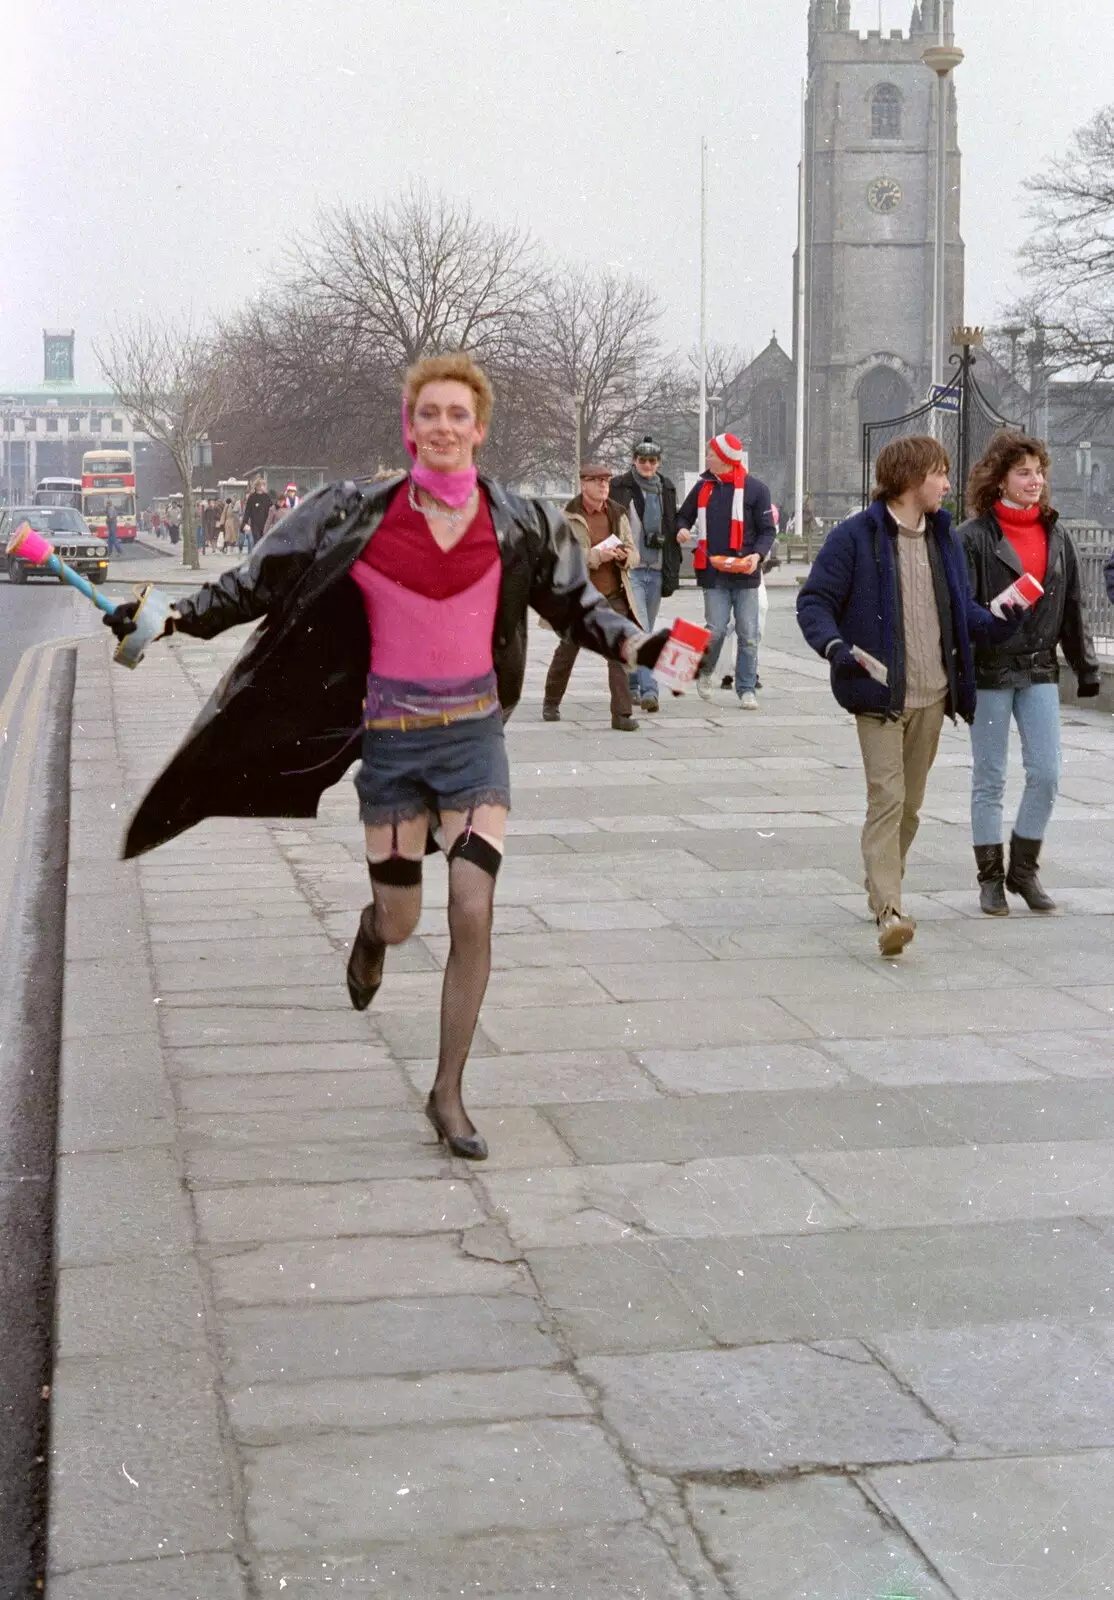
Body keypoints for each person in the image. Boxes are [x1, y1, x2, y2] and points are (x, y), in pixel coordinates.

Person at [104, 352, 669, 1160]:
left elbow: (580, 605)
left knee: (473, 910)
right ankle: (372, 935)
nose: (443, 426)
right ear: (410, 428)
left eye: (458, 415)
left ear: (479, 429)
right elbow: (252, 584)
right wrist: (165, 618)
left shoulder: (521, 523)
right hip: (393, 750)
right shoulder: (353, 514)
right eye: (428, 414)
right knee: (405, 919)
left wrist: (649, 649)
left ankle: (447, 1093)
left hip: (474, 742)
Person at [797, 434, 1020, 957]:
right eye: (940, 474)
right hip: (877, 694)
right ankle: (890, 911)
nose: (947, 484)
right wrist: (835, 647)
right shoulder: (855, 537)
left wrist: (1003, 619)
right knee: (888, 800)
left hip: (934, 697)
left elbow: (962, 611)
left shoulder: (944, 537)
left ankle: (879, 883)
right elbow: (814, 602)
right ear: (912, 478)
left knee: (912, 808)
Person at [961, 431, 1100, 915]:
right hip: (991, 671)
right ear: (999, 480)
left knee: (1047, 772)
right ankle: (990, 879)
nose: (1035, 480)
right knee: (990, 777)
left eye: (1039, 472)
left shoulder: (1057, 534)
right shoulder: (973, 537)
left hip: (1040, 668)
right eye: (1023, 472)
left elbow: (1073, 606)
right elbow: (960, 611)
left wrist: (1084, 666)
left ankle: (1024, 870)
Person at [676, 433, 775, 709]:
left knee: (748, 633)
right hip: (714, 573)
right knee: (716, 629)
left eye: (710, 453)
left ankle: (746, 689)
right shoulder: (703, 487)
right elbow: (683, 515)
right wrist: (682, 528)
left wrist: (757, 555)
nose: (706, 457)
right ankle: (706, 671)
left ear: (724, 459)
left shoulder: (757, 490)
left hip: (746, 573)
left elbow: (768, 530)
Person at [542, 464, 642, 732]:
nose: (603, 486)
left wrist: (624, 556)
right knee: (568, 649)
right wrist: (597, 556)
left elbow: (634, 552)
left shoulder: (618, 513)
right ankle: (551, 700)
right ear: (583, 484)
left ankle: (621, 714)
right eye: (597, 481)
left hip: (613, 594)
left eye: (606, 482)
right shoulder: (567, 517)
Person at [609, 436, 680, 714]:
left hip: (658, 568)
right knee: (643, 631)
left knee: (640, 630)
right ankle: (651, 691)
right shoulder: (620, 486)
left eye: (652, 461)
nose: (647, 465)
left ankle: (635, 685)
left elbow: (673, 525)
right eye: (642, 460)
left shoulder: (667, 488)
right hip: (632, 569)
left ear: (658, 463)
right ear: (634, 461)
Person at [240, 476, 272, 553]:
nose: (262, 487)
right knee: (257, 540)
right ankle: (257, 556)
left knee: (264, 541)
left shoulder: (267, 497)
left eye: (263, 485)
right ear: (256, 486)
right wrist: (244, 523)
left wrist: (272, 521)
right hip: (255, 524)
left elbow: (271, 510)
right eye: (260, 485)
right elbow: (247, 511)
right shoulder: (252, 497)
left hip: (265, 523)